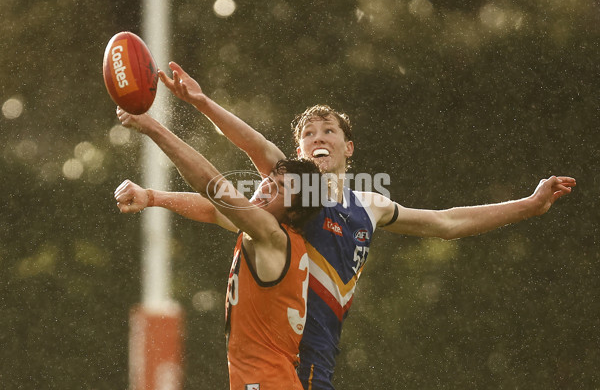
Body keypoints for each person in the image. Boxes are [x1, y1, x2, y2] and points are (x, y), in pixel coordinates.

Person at [117, 61, 576, 390]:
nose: (317, 139)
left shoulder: (368, 205)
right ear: (296, 153)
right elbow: (234, 179)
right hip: (275, 356)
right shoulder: (290, 188)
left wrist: (528, 206)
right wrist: (201, 106)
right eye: (307, 135)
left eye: (328, 131)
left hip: (314, 359)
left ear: (349, 147)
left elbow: (447, 222)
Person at [113, 107, 324, 390]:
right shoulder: (272, 235)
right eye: (269, 180)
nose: (265, 189)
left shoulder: (271, 235)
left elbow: (211, 186)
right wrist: (152, 196)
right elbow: (213, 210)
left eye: (280, 188)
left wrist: (153, 128)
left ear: (295, 213)